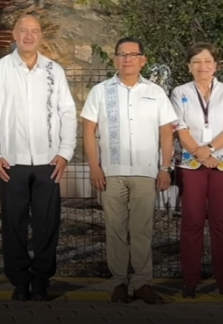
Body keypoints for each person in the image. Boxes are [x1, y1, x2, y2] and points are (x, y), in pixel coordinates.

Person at [0, 13, 77, 301]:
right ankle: (19, 282)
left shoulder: (54, 71)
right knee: (13, 224)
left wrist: (65, 153)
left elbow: (67, 113)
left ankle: (41, 281)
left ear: (41, 35)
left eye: (34, 31)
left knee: (47, 224)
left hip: (49, 162)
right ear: (14, 33)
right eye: (24, 30)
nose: (29, 35)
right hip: (11, 162)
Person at [80, 37, 176, 305]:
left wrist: (165, 167)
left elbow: (166, 131)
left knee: (142, 229)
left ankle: (142, 283)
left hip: (146, 172)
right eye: (122, 54)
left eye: (133, 54)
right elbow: (89, 129)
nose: (127, 59)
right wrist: (95, 166)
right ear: (115, 59)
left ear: (143, 60)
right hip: (111, 171)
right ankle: (119, 283)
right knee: (115, 229)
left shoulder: (155, 92)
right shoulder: (100, 91)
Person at [169, 43, 223, 299]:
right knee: (192, 222)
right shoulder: (180, 92)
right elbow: (178, 126)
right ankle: (190, 281)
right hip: (191, 163)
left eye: (208, 61)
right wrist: (199, 153)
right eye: (197, 62)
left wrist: (210, 150)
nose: (203, 66)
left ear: (216, 65)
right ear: (189, 66)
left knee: (221, 223)